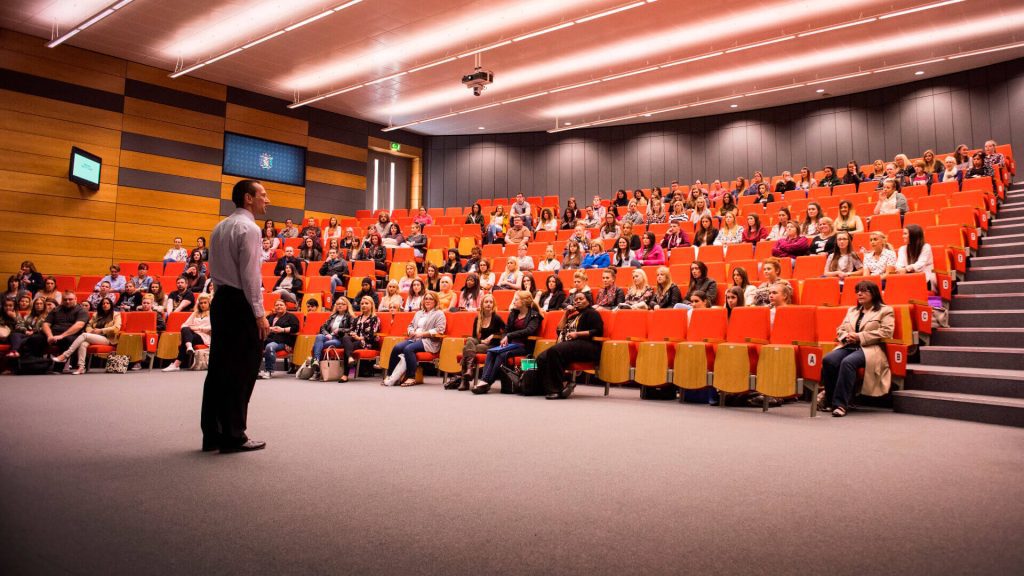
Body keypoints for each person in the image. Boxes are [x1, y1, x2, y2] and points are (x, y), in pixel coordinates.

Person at [201, 179, 269, 454]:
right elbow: (251, 276)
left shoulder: (219, 227)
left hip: (221, 301)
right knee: (242, 370)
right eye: (263, 195)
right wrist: (259, 314)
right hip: (241, 303)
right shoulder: (250, 229)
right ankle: (234, 435)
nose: (268, 199)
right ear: (248, 198)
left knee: (218, 369)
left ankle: (212, 434)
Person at [820, 281, 894, 417]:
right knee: (828, 360)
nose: (859, 294)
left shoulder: (885, 310)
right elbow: (840, 329)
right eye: (858, 291)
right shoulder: (852, 311)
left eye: (864, 291)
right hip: (849, 345)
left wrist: (859, 337)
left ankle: (841, 404)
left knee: (848, 362)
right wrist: (845, 336)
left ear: (874, 293)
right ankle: (830, 401)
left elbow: (886, 332)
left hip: (870, 348)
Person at [472, 291, 541, 394]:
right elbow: (506, 330)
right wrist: (504, 338)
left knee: (501, 354)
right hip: (511, 344)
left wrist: (509, 336)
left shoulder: (534, 315)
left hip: (524, 346)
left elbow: (529, 331)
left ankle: (487, 383)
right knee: (491, 351)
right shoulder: (514, 313)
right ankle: (484, 380)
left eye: (516, 299)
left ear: (523, 302)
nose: (513, 302)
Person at [539, 291, 603, 400]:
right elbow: (559, 330)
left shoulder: (592, 313)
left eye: (581, 299)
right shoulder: (574, 315)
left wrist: (577, 334)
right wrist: (566, 314)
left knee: (555, 351)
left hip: (588, 345)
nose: (577, 301)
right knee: (541, 357)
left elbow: (597, 331)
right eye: (576, 299)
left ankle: (556, 390)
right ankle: (543, 387)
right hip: (572, 345)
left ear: (588, 301)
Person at [383, 292, 446, 387]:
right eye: (426, 299)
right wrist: (411, 331)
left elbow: (440, 329)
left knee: (409, 349)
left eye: (430, 299)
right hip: (415, 338)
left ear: (435, 301)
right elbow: (411, 325)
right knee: (397, 347)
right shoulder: (419, 313)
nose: (427, 301)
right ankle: (390, 375)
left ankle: (411, 377)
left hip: (429, 341)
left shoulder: (439, 313)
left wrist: (422, 333)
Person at [54, 297, 120, 375]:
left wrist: (101, 330)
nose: (105, 305)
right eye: (103, 303)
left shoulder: (116, 315)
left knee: (84, 335)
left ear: (111, 305)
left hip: (108, 339)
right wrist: (91, 331)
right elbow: (88, 325)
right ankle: (81, 367)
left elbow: (116, 328)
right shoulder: (96, 314)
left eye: (107, 303)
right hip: (94, 336)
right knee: (83, 344)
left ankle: (65, 355)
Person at [163, 292, 213, 373]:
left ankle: (176, 364)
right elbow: (184, 325)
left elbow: (211, 328)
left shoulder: (213, 313)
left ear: (209, 303)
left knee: (186, 338)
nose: (203, 305)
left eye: (205, 303)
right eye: (201, 303)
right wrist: (194, 329)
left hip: (204, 338)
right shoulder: (195, 313)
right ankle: (189, 347)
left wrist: (197, 328)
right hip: (193, 336)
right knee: (185, 329)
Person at [307, 298, 353, 380]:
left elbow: (352, 329)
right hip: (329, 337)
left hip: (340, 339)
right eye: (338, 304)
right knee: (319, 336)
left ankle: (316, 371)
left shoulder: (350, 317)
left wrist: (339, 330)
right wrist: (327, 334)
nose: (340, 305)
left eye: (342, 304)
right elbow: (322, 327)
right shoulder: (332, 316)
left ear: (347, 306)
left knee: (317, 346)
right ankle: (316, 360)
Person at [258, 299, 300, 379]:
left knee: (270, 346)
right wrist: (270, 329)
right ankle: (256, 371)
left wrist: (282, 329)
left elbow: (295, 329)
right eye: (277, 305)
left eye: (281, 305)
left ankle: (268, 371)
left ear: (285, 307)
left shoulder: (291, 317)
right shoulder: (270, 316)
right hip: (268, 339)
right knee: (253, 345)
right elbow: (263, 326)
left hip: (281, 341)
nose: (279, 307)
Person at [892, 224, 935, 288]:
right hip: (907, 278)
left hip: (924, 280)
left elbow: (920, 265)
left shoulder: (926, 247)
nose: (903, 236)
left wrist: (906, 269)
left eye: (905, 234)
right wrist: (902, 269)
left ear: (913, 235)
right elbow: (899, 265)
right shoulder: (902, 249)